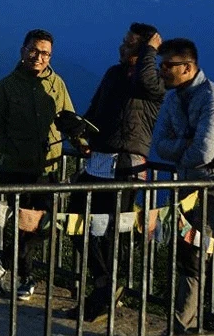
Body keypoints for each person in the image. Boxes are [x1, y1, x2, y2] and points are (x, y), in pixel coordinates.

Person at [65, 22, 165, 322]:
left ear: (146, 49)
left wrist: (150, 50)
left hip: (126, 166)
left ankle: (101, 295)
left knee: (108, 233)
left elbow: (146, 81)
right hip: (98, 161)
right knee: (77, 222)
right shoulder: (112, 73)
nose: (122, 46)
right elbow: (95, 110)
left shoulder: (153, 82)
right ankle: (105, 284)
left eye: (130, 43)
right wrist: (79, 130)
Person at [151, 38, 214, 334]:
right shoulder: (172, 99)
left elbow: (203, 154)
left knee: (195, 256)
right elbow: (159, 146)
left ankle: (183, 325)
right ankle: (186, 324)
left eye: (168, 66)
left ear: (188, 67)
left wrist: (183, 153)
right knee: (186, 254)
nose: (161, 72)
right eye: (160, 65)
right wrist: (186, 145)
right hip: (190, 187)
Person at [0, 28, 75, 301]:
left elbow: (68, 116)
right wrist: (13, 149)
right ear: (23, 50)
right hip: (16, 167)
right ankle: (26, 278)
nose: (39, 57)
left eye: (45, 53)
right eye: (34, 51)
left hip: (48, 167)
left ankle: (4, 259)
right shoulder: (5, 87)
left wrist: (80, 138)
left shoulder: (56, 84)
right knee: (23, 225)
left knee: (46, 225)